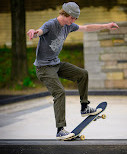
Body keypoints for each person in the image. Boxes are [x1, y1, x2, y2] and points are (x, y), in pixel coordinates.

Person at [27, 2, 119, 140]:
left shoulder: (68, 26)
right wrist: (33, 32)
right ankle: (60, 130)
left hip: (55, 64)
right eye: (73, 18)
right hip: (44, 68)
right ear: (66, 14)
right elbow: (39, 32)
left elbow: (86, 28)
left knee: (82, 74)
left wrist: (106, 26)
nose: (74, 21)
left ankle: (84, 107)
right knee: (59, 92)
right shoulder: (50, 24)